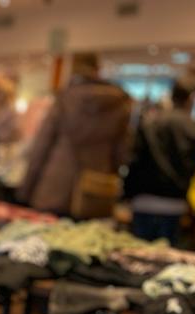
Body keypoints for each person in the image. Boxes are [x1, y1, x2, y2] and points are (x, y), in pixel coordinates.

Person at [18, 52, 131, 215]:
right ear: (98, 68)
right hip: (96, 188)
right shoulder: (118, 103)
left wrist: (26, 189)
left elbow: (41, 147)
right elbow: (121, 153)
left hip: (57, 185)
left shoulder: (65, 98)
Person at [124, 78, 195, 244]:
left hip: (143, 199)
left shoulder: (150, 122)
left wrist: (127, 194)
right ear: (190, 99)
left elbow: (134, 159)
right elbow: (194, 166)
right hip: (174, 202)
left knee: (136, 258)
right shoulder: (192, 128)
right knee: (165, 260)